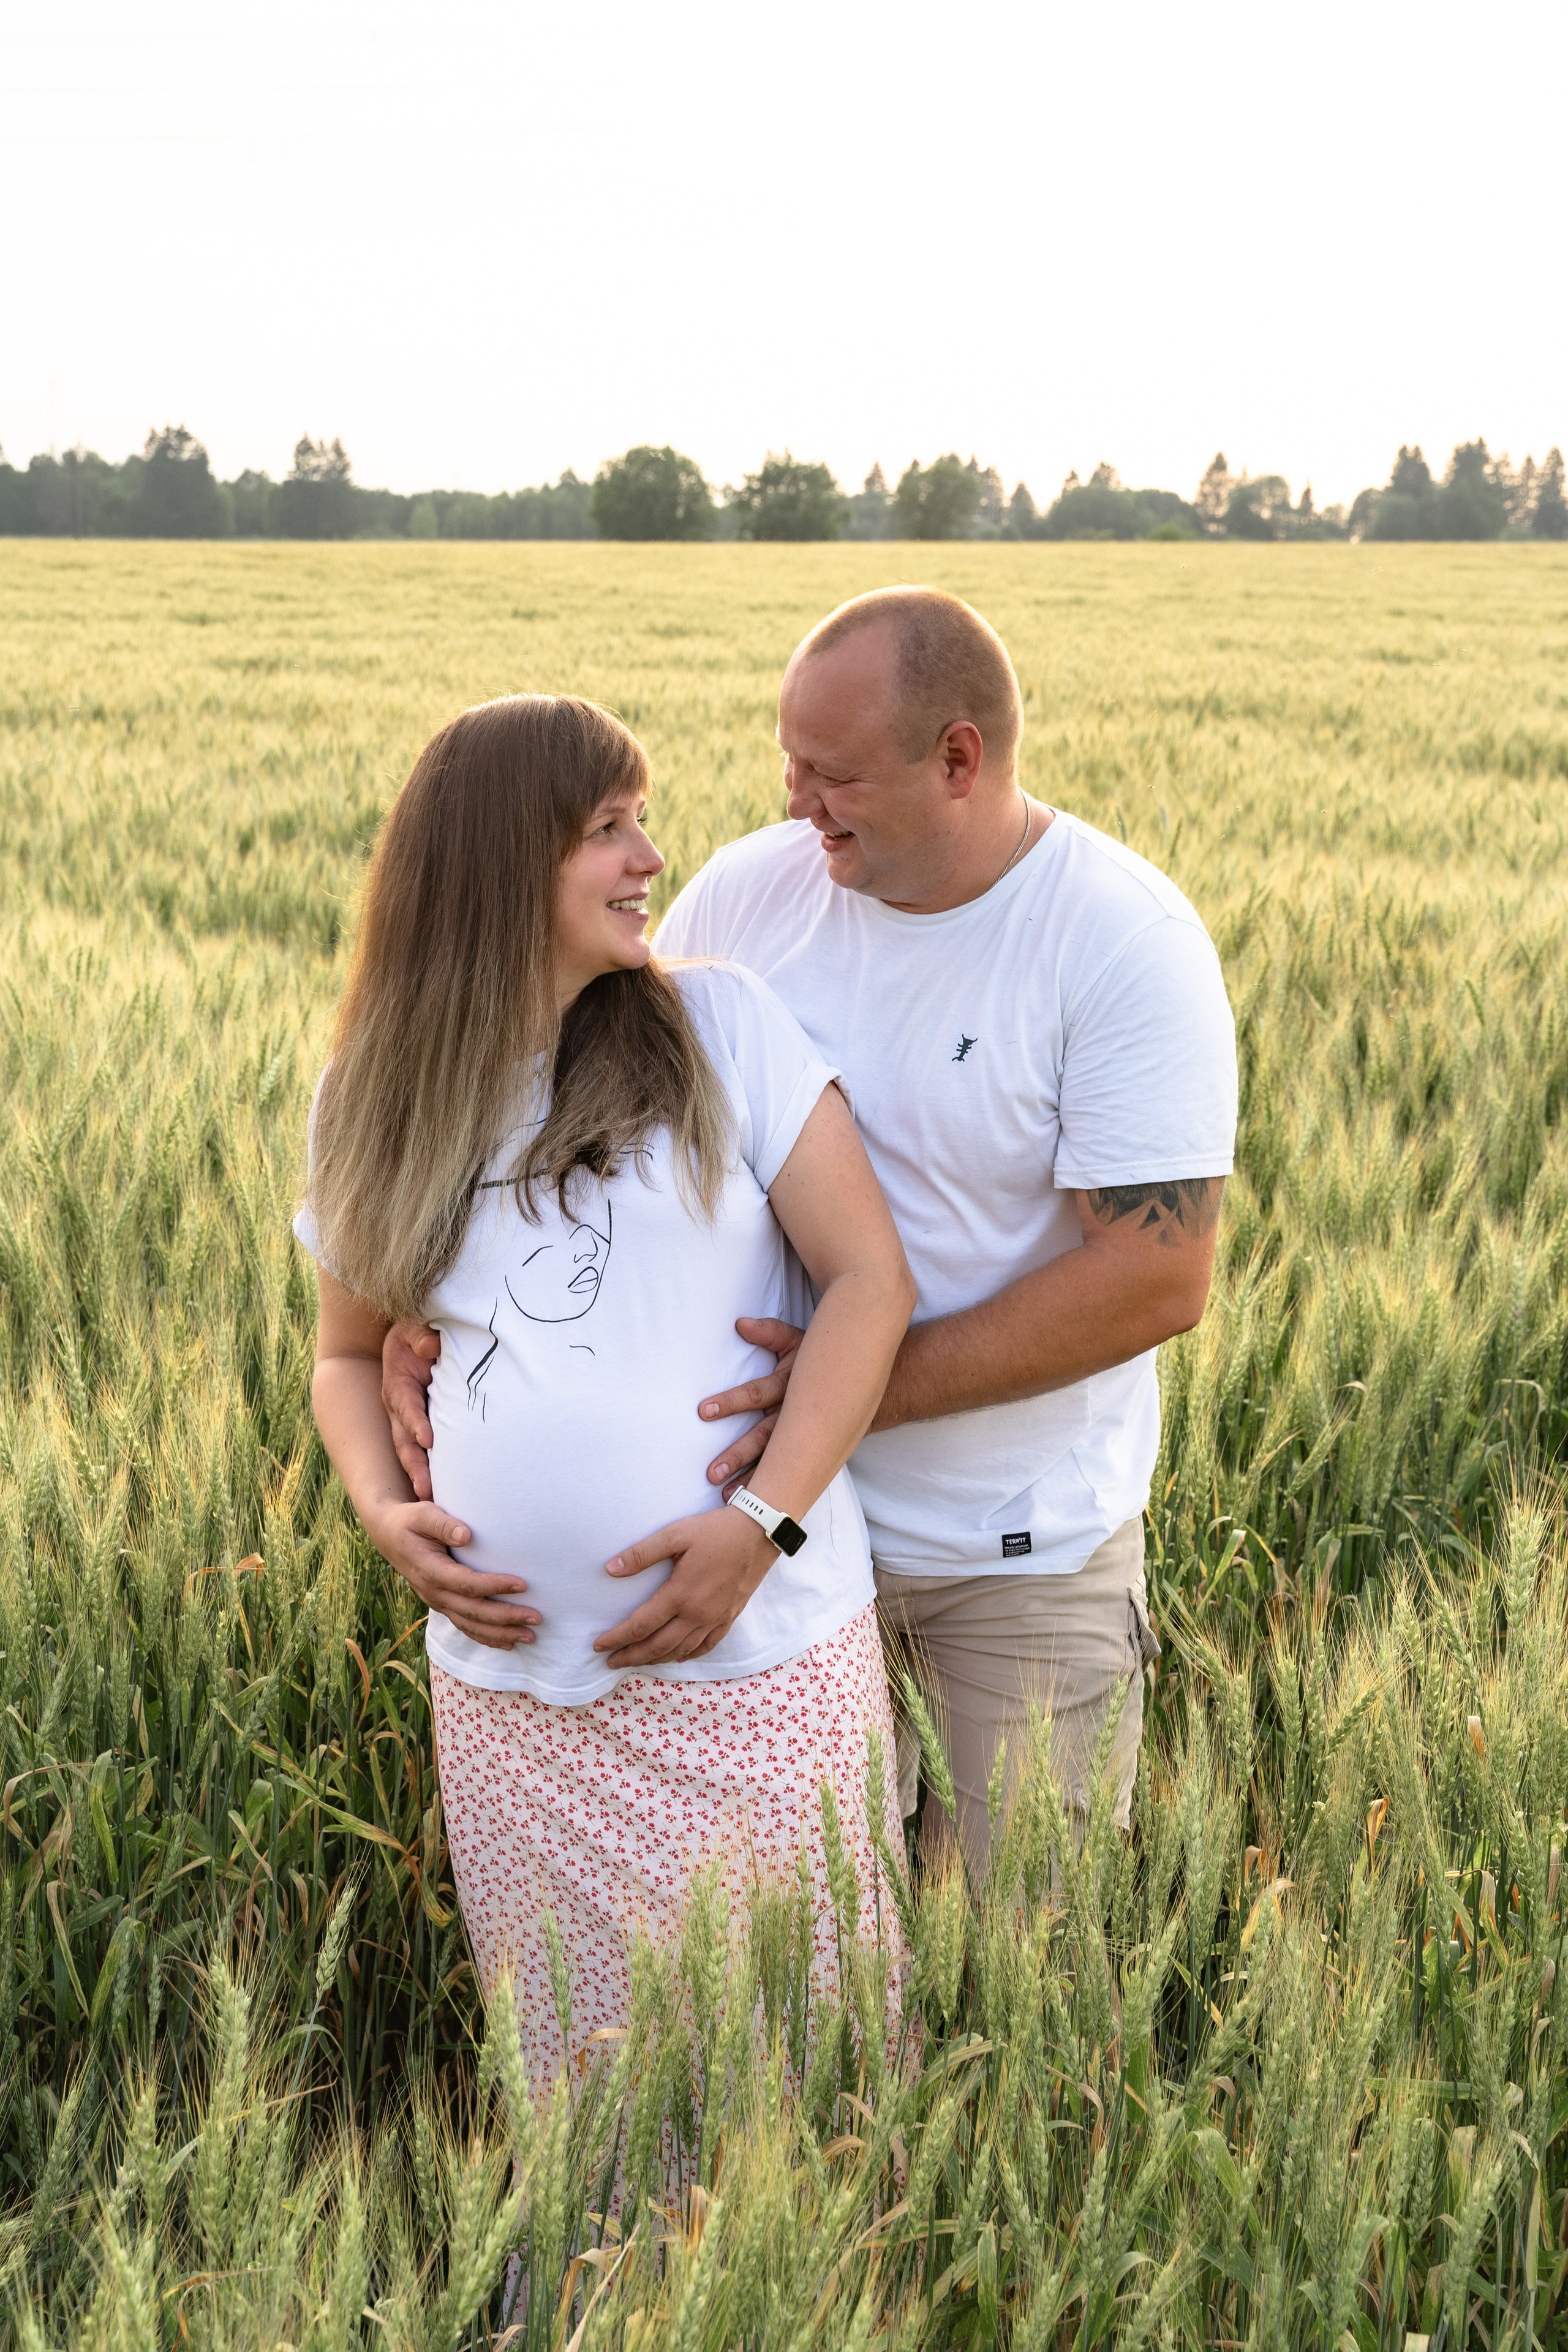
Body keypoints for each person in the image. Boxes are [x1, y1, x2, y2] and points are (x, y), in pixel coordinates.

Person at [386, 592, 1238, 1879]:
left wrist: (835, 1394)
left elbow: (1156, 1276)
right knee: (809, 1986)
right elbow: (587, 1126)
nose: (795, 801)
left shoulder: (1119, 943)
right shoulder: (746, 896)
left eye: (831, 775)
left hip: (1010, 1558)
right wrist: (434, 1320)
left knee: (1022, 1961)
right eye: (787, 761)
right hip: (777, 1575)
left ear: (957, 761)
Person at [296, 693, 914, 2077]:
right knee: (583, 2082)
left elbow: (869, 1284)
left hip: (759, 1662)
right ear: (495, 860)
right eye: (605, 829)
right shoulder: (373, 1096)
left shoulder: (720, 1029)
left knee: (806, 2063)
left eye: (642, 821)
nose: (648, 858)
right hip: (512, 1693)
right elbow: (349, 1354)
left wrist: (762, 1527)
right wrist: (382, 1513)